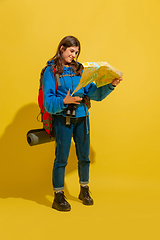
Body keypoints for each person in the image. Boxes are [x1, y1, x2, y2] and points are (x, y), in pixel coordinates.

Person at [43, 36, 122, 211]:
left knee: (84, 157)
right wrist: (65, 100)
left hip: (82, 118)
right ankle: (58, 196)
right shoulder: (51, 71)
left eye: (76, 52)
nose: (74, 55)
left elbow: (94, 93)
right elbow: (48, 101)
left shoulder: (80, 70)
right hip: (62, 118)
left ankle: (84, 190)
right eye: (71, 51)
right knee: (61, 158)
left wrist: (111, 85)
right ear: (62, 48)